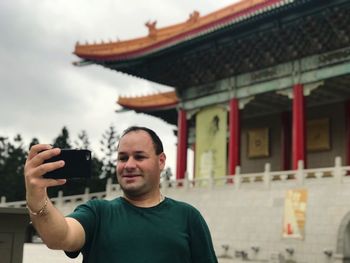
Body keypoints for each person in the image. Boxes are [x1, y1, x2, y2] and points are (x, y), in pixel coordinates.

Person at [24, 126, 218, 263]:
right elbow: (60, 237)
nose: (129, 165)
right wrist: (36, 195)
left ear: (161, 161)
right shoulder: (97, 212)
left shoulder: (187, 217)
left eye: (139, 157)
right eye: (123, 158)